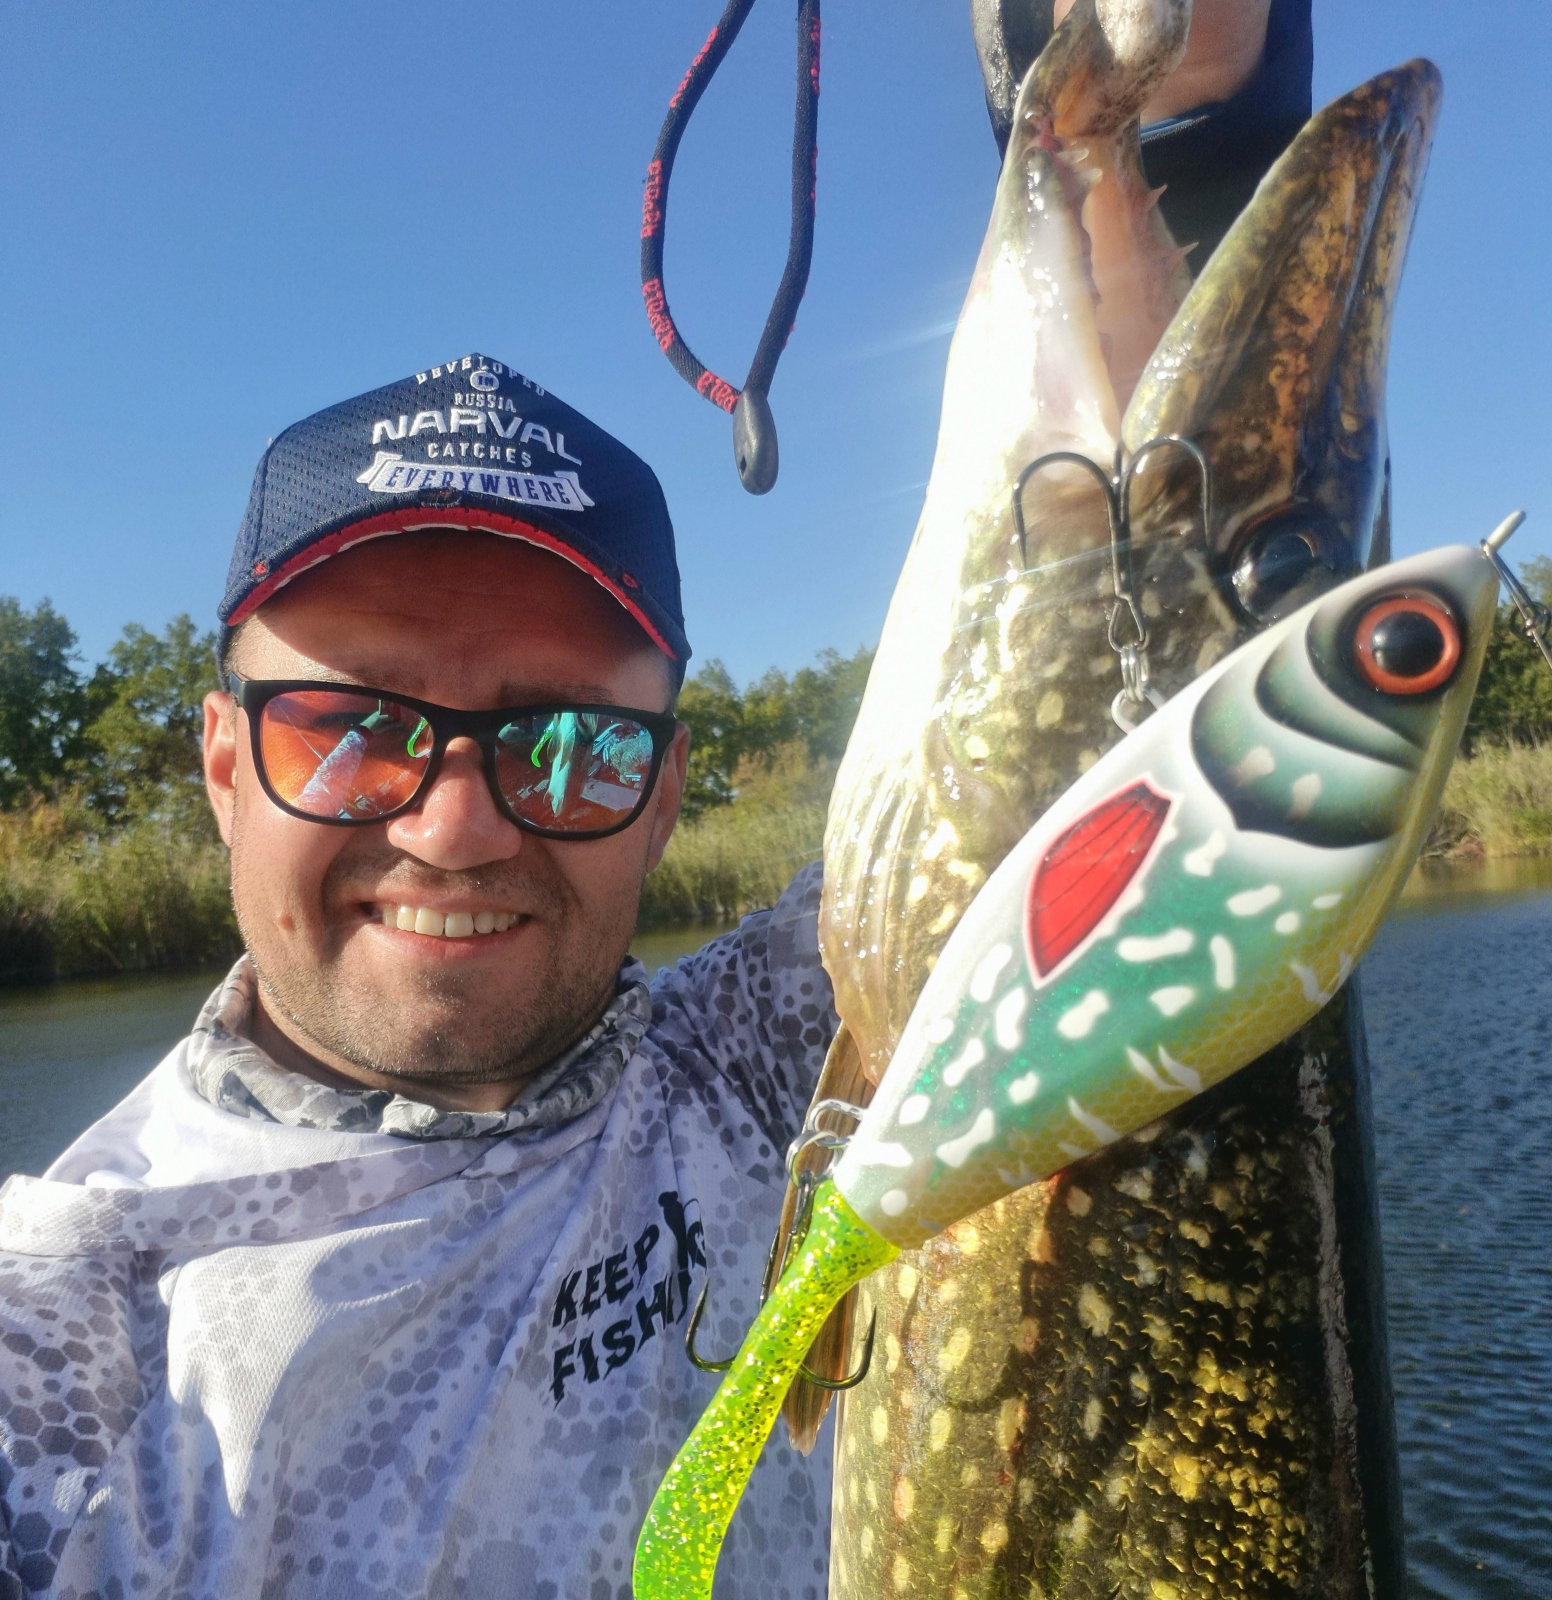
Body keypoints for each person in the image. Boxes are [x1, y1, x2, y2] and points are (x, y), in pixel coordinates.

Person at [0, 360, 837, 1597]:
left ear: (661, 799)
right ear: (226, 772)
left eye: (569, 745)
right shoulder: (64, 1348)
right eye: (349, 729)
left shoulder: (781, 1063)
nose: (453, 832)